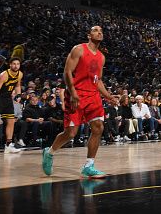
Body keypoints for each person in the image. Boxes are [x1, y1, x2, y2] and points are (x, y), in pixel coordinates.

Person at [42, 26, 118, 179]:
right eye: (96, 30)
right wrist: (73, 92)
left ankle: (89, 165)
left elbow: (98, 80)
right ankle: (49, 153)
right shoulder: (79, 49)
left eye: (101, 31)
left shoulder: (102, 57)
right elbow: (67, 72)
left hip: (93, 96)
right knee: (71, 133)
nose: (99, 32)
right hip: (76, 95)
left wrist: (108, 96)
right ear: (89, 35)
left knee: (98, 127)